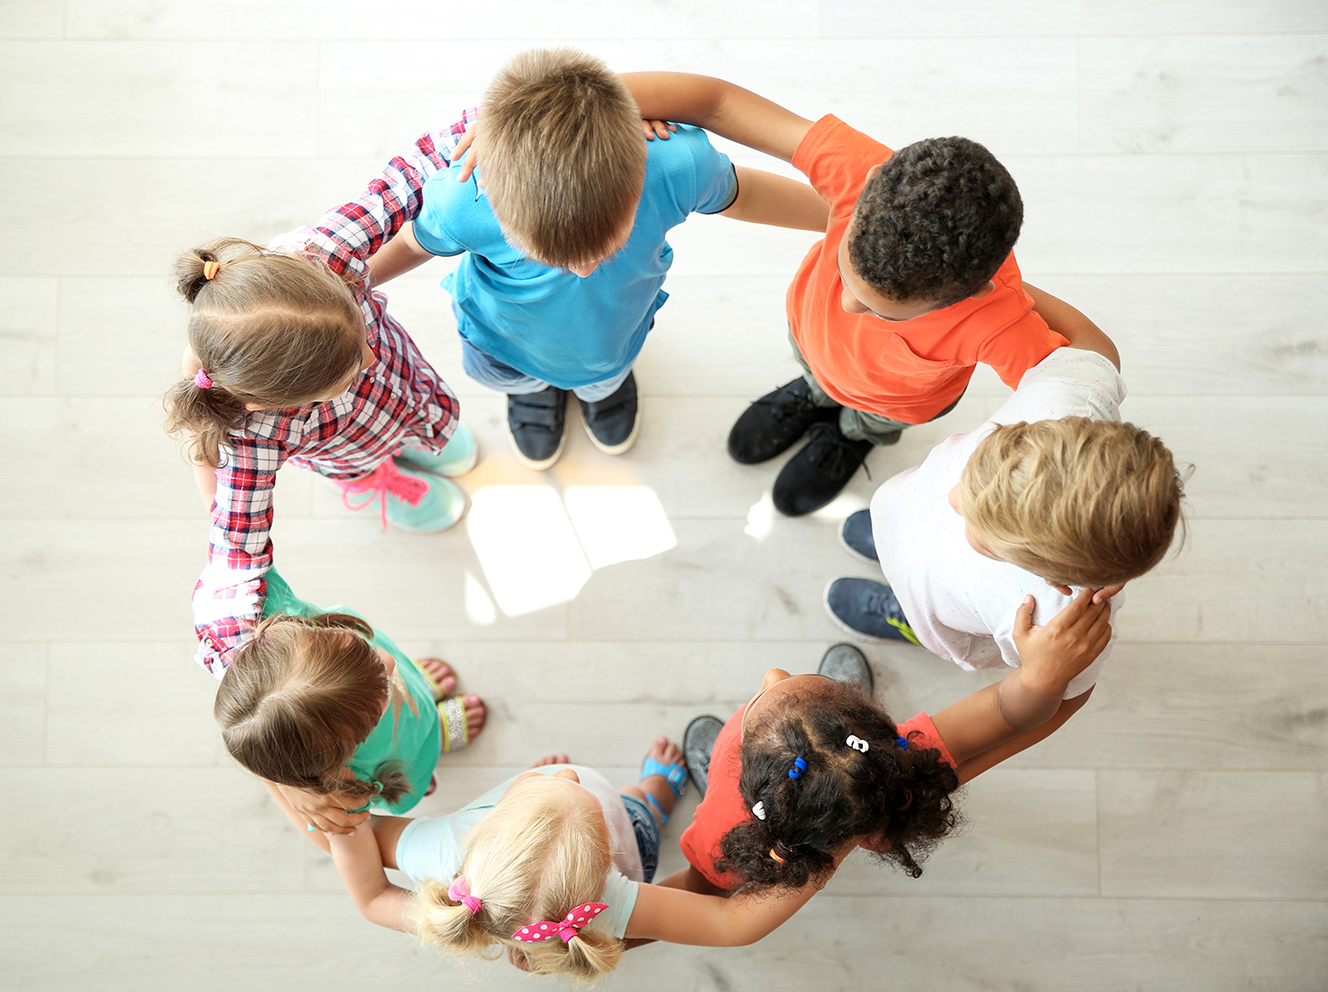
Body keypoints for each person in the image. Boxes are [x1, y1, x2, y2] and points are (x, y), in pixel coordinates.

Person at [617, 71, 1119, 515]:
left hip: (892, 401)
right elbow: (717, 103)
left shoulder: (996, 318)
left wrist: (1011, 300)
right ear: (872, 184)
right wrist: (598, 112)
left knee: (874, 421)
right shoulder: (862, 171)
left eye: (883, 311)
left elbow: (1094, 364)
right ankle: (813, 391)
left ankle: (854, 435)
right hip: (812, 340)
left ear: (971, 293)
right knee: (815, 369)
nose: (847, 303)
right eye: (848, 274)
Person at [371, 49, 829, 470]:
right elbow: (413, 243)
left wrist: (844, 217)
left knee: (603, 377)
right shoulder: (463, 201)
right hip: (500, 339)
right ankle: (536, 392)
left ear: (638, 174)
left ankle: (599, 390)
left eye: (606, 248)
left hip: (612, 337)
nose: (585, 270)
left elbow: (744, 193)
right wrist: (354, 282)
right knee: (517, 379)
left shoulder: (676, 163)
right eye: (555, 257)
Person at [167, 117, 480, 679]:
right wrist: (243, 663)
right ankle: (380, 477)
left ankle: (425, 435)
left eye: (359, 332)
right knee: (359, 466)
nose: (366, 356)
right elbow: (234, 555)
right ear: (269, 403)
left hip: (409, 388)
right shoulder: (254, 437)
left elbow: (413, 170)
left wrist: (497, 128)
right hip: (349, 447)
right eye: (346, 367)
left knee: (431, 417)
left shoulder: (320, 258)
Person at [827, 344, 1185, 779]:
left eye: (976, 522)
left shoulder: (1058, 625)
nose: (953, 497)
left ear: (1053, 577)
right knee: (908, 531)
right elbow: (1094, 347)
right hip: (909, 514)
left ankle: (907, 616)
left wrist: (1041, 676)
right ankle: (894, 546)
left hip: (950, 601)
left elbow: (1057, 704)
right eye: (974, 471)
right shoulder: (1069, 395)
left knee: (928, 602)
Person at [677, 594, 1111, 899]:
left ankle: (724, 770)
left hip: (737, 825)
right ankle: (837, 751)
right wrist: (1044, 679)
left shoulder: (725, 838)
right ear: (885, 732)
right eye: (836, 694)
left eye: (775, 692)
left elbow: (698, 891)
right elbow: (1011, 711)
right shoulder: (903, 760)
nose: (774, 675)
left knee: (721, 870)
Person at [314, 739, 829, 980]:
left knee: (570, 795)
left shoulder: (445, 845)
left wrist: (306, 795)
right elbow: (729, 925)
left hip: (533, 879)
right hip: (635, 834)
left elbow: (357, 865)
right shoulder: (608, 898)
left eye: (560, 780)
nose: (570, 774)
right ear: (606, 863)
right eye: (570, 785)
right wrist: (823, 859)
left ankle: (561, 800)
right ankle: (661, 790)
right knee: (640, 798)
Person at [214, 569, 486, 835]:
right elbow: (334, 844)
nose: (388, 661)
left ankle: (416, 694)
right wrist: (286, 786)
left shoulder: (283, 625)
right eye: (383, 692)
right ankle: (435, 733)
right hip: (403, 759)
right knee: (415, 766)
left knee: (405, 682)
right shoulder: (341, 781)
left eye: (366, 649)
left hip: (399, 698)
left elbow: (239, 553)